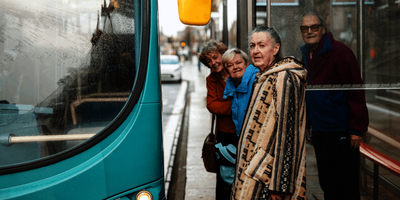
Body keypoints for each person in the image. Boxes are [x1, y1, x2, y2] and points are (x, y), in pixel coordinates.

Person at [231, 26, 307, 200]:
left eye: (262, 45)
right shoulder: (263, 75)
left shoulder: (285, 77)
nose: (255, 51)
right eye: (252, 46)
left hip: (267, 178)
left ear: (276, 48)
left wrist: (280, 186)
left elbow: (289, 134)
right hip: (253, 172)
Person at [300, 11, 369, 200]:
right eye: (305, 28)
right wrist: (308, 124)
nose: (309, 31)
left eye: (314, 27)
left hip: (341, 130)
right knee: (327, 182)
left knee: (345, 185)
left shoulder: (340, 52)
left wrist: (356, 128)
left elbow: (355, 89)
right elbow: (309, 93)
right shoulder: (307, 54)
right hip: (321, 130)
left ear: (322, 30)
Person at [198, 40, 237, 200]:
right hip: (225, 134)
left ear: (223, 54)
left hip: (245, 131)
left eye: (215, 57)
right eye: (209, 61)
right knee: (225, 176)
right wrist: (236, 106)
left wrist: (226, 105)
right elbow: (212, 105)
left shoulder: (237, 71)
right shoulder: (211, 80)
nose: (213, 63)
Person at [222, 48, 259, 137]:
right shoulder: (233, 86)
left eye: (238, 63)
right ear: (227, 70)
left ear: (246, 63)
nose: (235, 67)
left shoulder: (257, 80)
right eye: (230, 65)